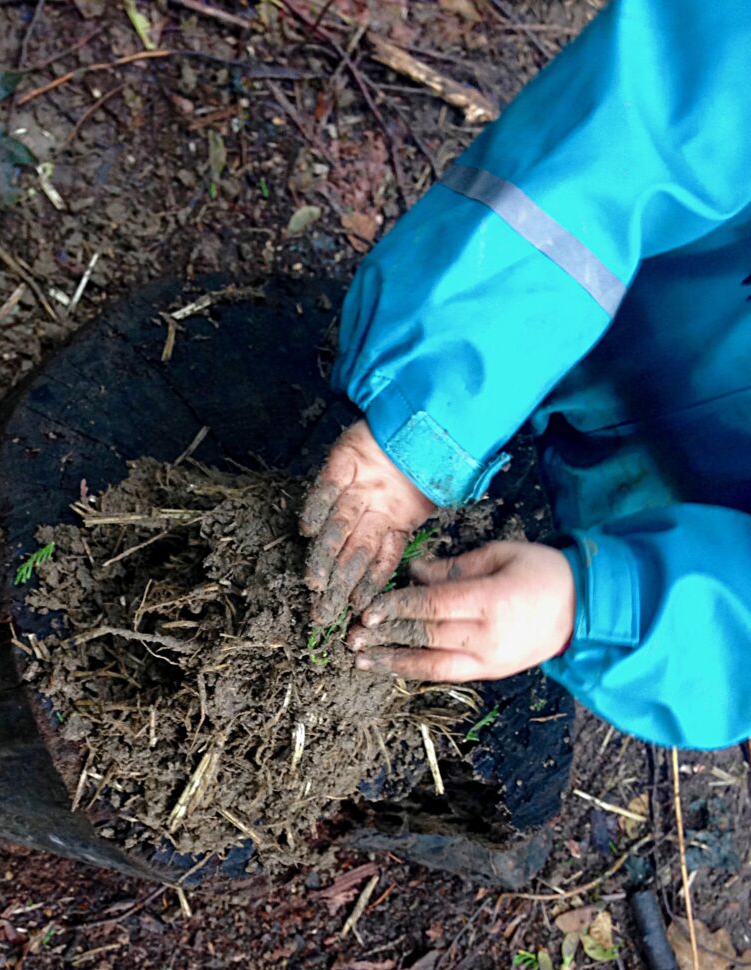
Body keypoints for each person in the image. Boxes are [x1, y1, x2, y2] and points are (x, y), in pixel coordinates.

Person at [300, 0, 751, 751]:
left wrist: (601, 602)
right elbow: (636, 129)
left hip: (662, 533)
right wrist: (430, 420)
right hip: (571, 314)